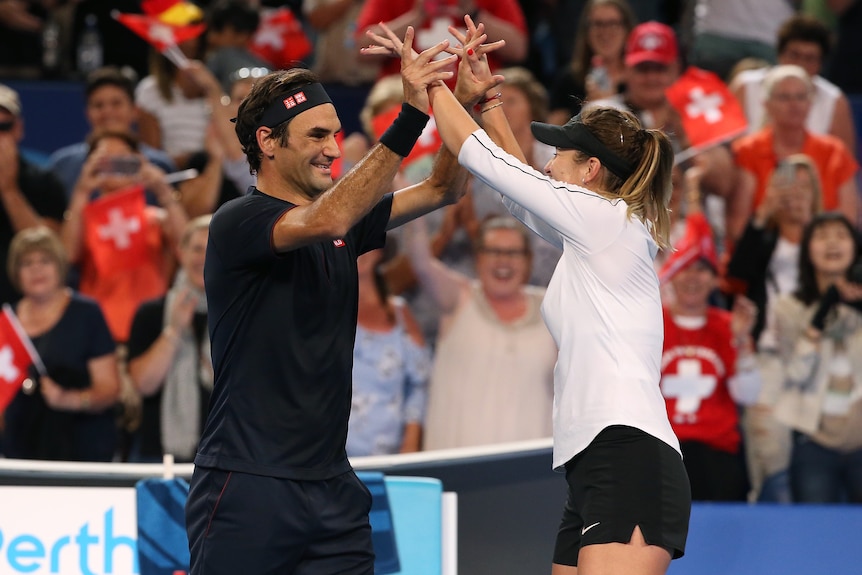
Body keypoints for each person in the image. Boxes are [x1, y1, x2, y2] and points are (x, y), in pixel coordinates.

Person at [368, 18, 690, 573]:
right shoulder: (593, 231)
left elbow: (487, 162)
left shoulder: (604, 219)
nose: (548, 157)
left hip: (628, 454)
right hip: (594, 460)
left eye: (561, 152)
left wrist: (433, 83)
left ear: (590, 171)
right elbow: (515, 191)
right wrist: (489, 96)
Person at [185, 38, 483, 572]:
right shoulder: (239, 221)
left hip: (332, 490)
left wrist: (459, 103)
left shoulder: (342, 221)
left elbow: (444, 187)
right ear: (267, 142)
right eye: (316, 135)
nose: (332, 148)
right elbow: (328, 220)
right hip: (248, 484)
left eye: (336, 134)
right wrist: (410, 114)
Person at [404, 214, 556, 449]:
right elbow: (421, 263)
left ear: (528, 261)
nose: (502, 261)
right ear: (477, 258)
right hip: (458, 469)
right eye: (492, 251)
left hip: (529, 472)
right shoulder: (459, 299)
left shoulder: (553, 308)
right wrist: (409, 202)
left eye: (513, 253)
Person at [658, 214, 761, 501]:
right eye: (685, 267)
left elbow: (749, 395)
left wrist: (741, 342)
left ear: (716, 278)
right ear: (670, 272)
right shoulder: (650, 324)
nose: (692, 277)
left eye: (702, 269)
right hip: (660, 451)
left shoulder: (730, 326)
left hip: (717, 452)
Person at [2, 226, 120, 461]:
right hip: (19, 452)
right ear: (15, 272)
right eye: (26, 263)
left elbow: (110, 390)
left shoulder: (87, 313)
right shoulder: (6, 322)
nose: (36, 269)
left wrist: (69, 399)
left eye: (45, 261)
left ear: (60, 266)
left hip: (82, 449)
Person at [771, 212, 862, 503]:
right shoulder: (789, 308)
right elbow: (796, 374)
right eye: (822, 236)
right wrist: (824, 312)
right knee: (815, 531)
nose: (832, 243)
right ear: (807, 249)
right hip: (814, 441)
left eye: (840, 235)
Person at [729, 65, 858, 243]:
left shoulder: (835, 152)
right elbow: (737, 229)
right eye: (784, 97)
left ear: (810, 103)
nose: (794, 105)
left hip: (818, 253)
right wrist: (768, 209)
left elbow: (848, 223)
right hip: (759, 256)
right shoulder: (746, 151)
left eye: (801, 97)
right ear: (766, 104)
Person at [126, 215, 213, 463]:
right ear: (181, 252)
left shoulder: (240, 313)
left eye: (213, 249)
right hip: (160, 456)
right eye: (197, 249)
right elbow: (143, 384)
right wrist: (173, 331)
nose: (203, 258)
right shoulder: (151, 313)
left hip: (226, 456)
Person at [730, 13, 856, 154]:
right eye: (794, 55)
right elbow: (729, 149)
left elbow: (842, 162)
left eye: (810, 58)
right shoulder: (746, 87)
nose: (800, 64)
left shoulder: (834, 101)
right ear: (779, 55)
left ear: (821, 64)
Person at [348, 246, 430, 456]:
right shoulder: (318, 310)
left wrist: (410, 447)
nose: (358, 251)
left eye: (363, 243)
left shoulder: (401, 314)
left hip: (389, 459)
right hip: (328, 459)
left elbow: (418, 387)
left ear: (378, 251)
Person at [47, 66, 175, 200]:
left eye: (116, 103)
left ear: (134, 111)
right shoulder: (63, 165)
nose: (107, 112)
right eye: (98, 105)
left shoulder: (160, 165)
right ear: (87, 113)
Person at [0, 83, 67, 306]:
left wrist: (9, 190)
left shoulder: (44, 181)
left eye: (4, 127)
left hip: (27, 310)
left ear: (19, 128)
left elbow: (48, 250)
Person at [547, 0, 637, 125]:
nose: (605, 32)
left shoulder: (641, 78)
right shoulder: (568, 80)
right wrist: (589, 107)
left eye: (613, 23)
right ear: (586, 31)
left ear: (627, 29)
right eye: (598, 24)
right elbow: (553, 133)